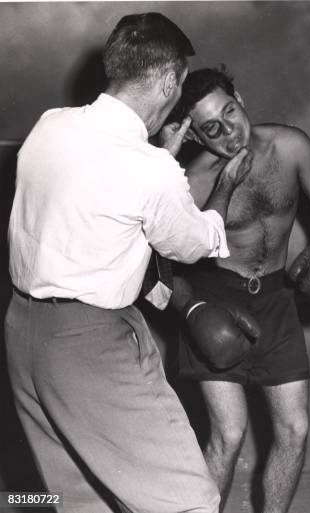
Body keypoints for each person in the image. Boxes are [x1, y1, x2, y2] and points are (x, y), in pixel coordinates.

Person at [5, 13, 253, 513]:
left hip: (21, 329)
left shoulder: (50, 125)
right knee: (190, 499)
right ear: (167, 81)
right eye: (179, 83)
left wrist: (158, 157)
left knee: (81, 499)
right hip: (90, 343)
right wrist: (217, 188)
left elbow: (95, 198)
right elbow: (194, 244)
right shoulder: (149, 169)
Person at [166, 67, 310, 513]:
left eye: (231, 112)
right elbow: (162, 266)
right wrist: (194, 309)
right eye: (212, 127)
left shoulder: (291, 146)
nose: (230, 131)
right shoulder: (193, 182)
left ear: (241, 98)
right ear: (194, 136)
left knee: (294, 430)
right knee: (228, 435)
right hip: (218, 300)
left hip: (277, 299)